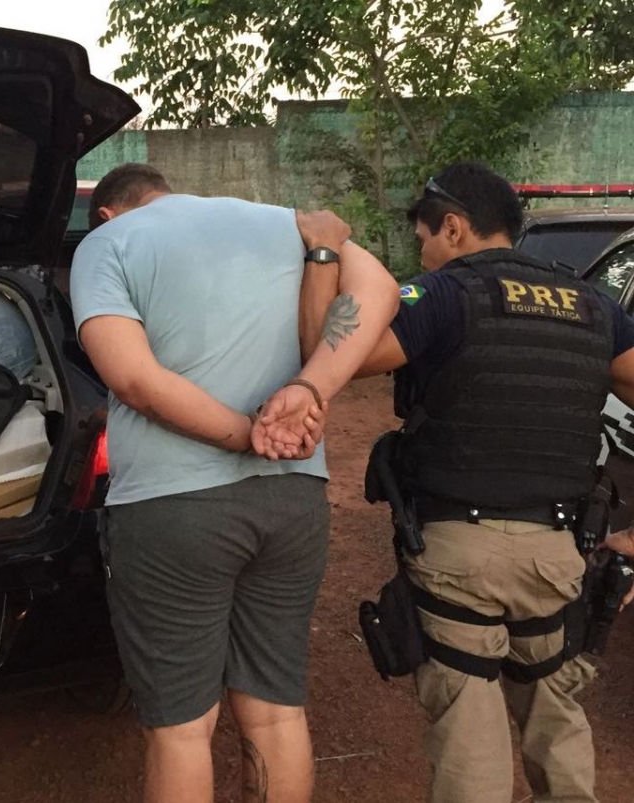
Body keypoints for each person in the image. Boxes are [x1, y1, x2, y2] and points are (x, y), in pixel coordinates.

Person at [298, 161, 634, 803]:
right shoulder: (594, 306)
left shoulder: (443, 295)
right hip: (556, 557)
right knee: (557, 723)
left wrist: (323, 250)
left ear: (452, 227)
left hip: (459, 555)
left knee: (469, 740)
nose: (423, 254)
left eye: (424, 238)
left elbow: (325, 352)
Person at [70, 162, 397, 803]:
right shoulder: (286, 224)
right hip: (293, 499)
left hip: (172, 511)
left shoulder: (108, 242)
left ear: (107, 212)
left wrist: (246, 433)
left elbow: (134, 379)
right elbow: (381, 289)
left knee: (182, 730)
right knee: (276, 713)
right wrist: (311, 388)